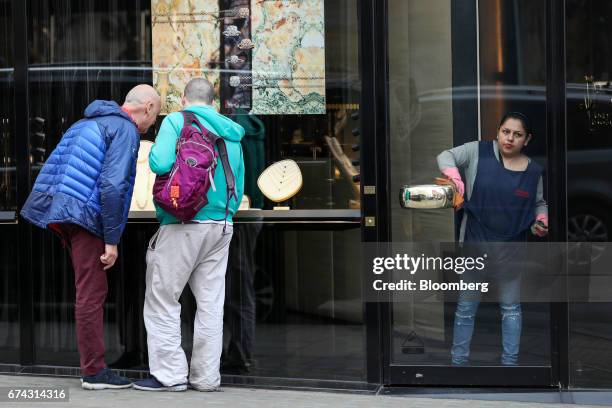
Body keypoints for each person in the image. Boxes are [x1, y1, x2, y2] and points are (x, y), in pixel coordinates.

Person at [20, 85, 162, 389]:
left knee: (87, 288)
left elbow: (53, 170)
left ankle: (94, 367)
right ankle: (94, 371)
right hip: (85, 216)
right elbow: (113, 186)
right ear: (148, 107)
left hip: (65, 213)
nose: (154, 123)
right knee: (91, 292)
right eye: (157, 114)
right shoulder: (125, 129)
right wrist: (111, 240)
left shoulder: (85, 122)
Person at [134, 78, 245, 392]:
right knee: (211, 303)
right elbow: (239, 183)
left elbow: (160, 162)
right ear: (214, 101)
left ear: (183, 99)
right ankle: (206, 377)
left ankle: (170, 375)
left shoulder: (176, 120)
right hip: (222, 225)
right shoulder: (232, 132)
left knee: (162, 298)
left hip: (184, 223)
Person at [437, 112, 548, 366]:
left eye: (517, 134)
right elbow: (445, 155)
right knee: (466, 308)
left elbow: (539, 203)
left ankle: (510, 364)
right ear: (497, 132)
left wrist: (542, 221)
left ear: (527, 139)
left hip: (512, 250)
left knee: (510, 309)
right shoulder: (478, 151)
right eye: (505, 132)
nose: (510, 138)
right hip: (476, 245)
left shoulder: (533, 172)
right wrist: (454, 177)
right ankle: (459, 362)